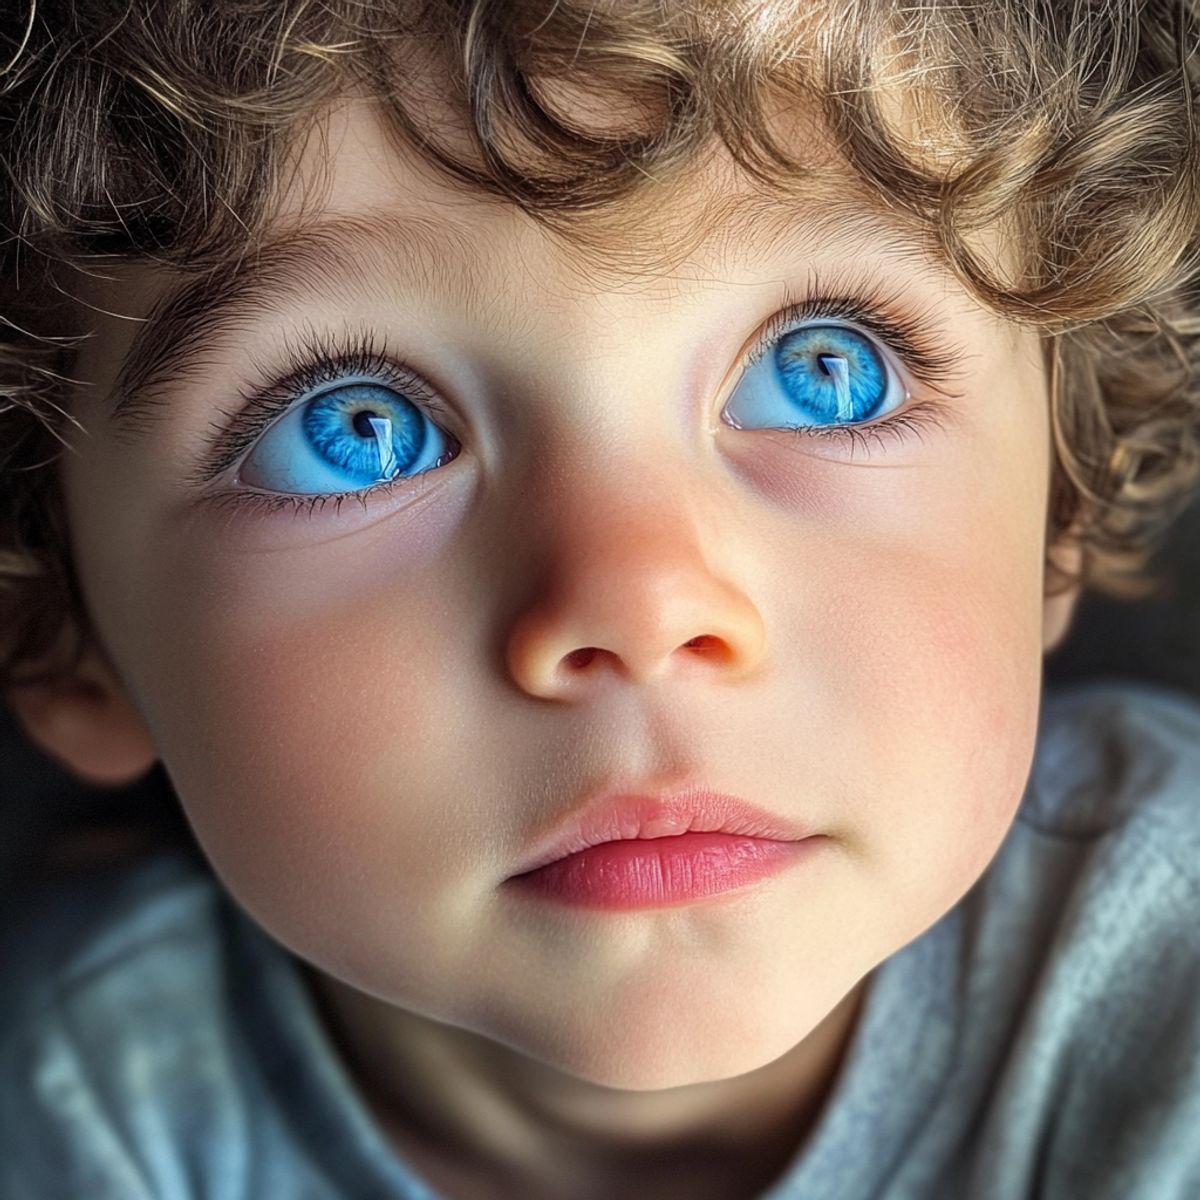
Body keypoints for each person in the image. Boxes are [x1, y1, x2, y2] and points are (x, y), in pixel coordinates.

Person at [0, 1, 1198, 1197]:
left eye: (827, 372)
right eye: (354, 433)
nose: (639, 606)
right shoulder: (88, 1114)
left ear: (1058, 510)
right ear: (58, 629)